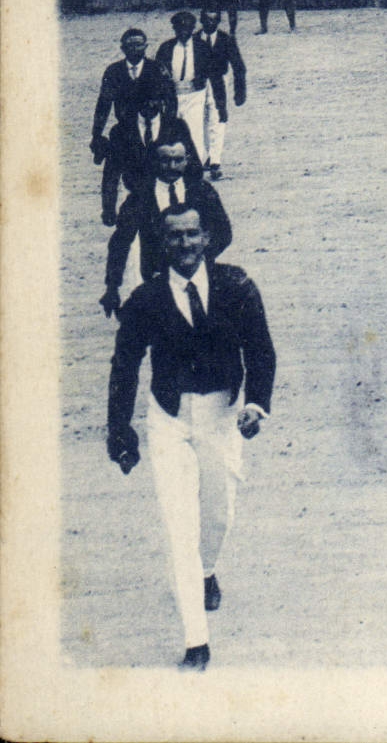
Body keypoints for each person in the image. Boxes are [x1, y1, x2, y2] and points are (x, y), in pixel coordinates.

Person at [105, 202, 276, 670]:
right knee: (180, 527)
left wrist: (256, 405)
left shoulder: (236, 286)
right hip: (170, 420)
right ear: (162, 244)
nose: (184, 244)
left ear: (207, 238)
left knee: (218, 516)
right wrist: (119, 429)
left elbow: (260, 349)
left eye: (192, 235)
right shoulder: (145, 300)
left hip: (222, 416)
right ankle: (196, 640)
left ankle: (207, 571)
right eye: (174, 236)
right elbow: (124, 366)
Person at [102, 132, 232, 314]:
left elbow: (224, 233)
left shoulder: (201, 191)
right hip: (157, 280)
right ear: (154, 161)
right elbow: (120, 243)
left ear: (187, 160)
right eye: (165, 160)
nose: (172, 166)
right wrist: (112, 287)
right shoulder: (140, 197)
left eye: (178, 160)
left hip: (200, 279)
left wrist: (198, 257)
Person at [91, 27, 172, 209]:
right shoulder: (113, 72)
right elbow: (104, 103)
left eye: (139, 45)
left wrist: (168, 125)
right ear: (122, 48)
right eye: (130, 46)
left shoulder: (157, 69)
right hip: (125, 129)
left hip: (152, 128)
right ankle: (109, 209)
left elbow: (170, 99)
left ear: (146, 46)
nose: (135, 49)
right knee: (112, 170)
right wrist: (96, 134)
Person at [99, 87, 202, 227]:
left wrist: (195, 200)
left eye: (153, 100)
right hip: (135, 200)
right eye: (143, 100)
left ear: (161, 101)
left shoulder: (177, 126)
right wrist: (109, 208)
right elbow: (111, 173)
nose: (148, 105)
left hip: (170, 197)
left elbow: (194, 166)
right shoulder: (120, 131)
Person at [155, 11, 210, 171]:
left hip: (195, 93)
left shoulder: (201, 46)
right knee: (170, 127)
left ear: (193, 28)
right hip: (173, 94)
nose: (183, 32)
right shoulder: (166, 47)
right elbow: (159, 71)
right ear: (174, 29)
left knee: (194, 128)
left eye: (188, 28)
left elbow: (210, 68)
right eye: (180, 28)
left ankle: (198, 163)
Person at [195, 11, 247, 181]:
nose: (210, 23)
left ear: (218, 21)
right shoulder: (193, 39)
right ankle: (203, 158)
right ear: (201, 20)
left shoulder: (226, 39)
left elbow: (238, 65)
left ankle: (215, 160)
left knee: (218, 118)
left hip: (219, 82)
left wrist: (240, 92)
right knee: (197, 120)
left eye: (214, 20)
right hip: (198, 83)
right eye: (207, 20)